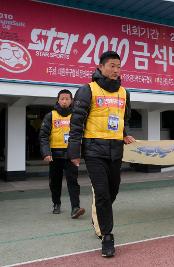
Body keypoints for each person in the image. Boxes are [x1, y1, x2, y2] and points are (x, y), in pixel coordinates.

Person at [68, 51, 135, 257]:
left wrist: (124, 135)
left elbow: (123, 117)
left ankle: (99, 214)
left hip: (116, 149)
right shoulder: (87, 90)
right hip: (94, 150)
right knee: (103, 193)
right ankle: (107, 237)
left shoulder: (124, 92)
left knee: (112, 191)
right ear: (100, 67)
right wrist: (74, 151)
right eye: (112, 66)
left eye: (118, 66)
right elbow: (77, 122)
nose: (116, 70)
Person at [39, 89, 85, 218]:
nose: (64, 101)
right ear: (58, 100)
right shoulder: (51, 116)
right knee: (55, 182)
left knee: (73, 182)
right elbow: (43, 136)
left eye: (67, 99)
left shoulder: (76, 116)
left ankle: (75, 208)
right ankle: (56, 203)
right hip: (54, 155)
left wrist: (81, 153)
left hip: (71, 154)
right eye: (62, 99)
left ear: (72, 101)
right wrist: (46, 152)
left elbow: (83, 134)